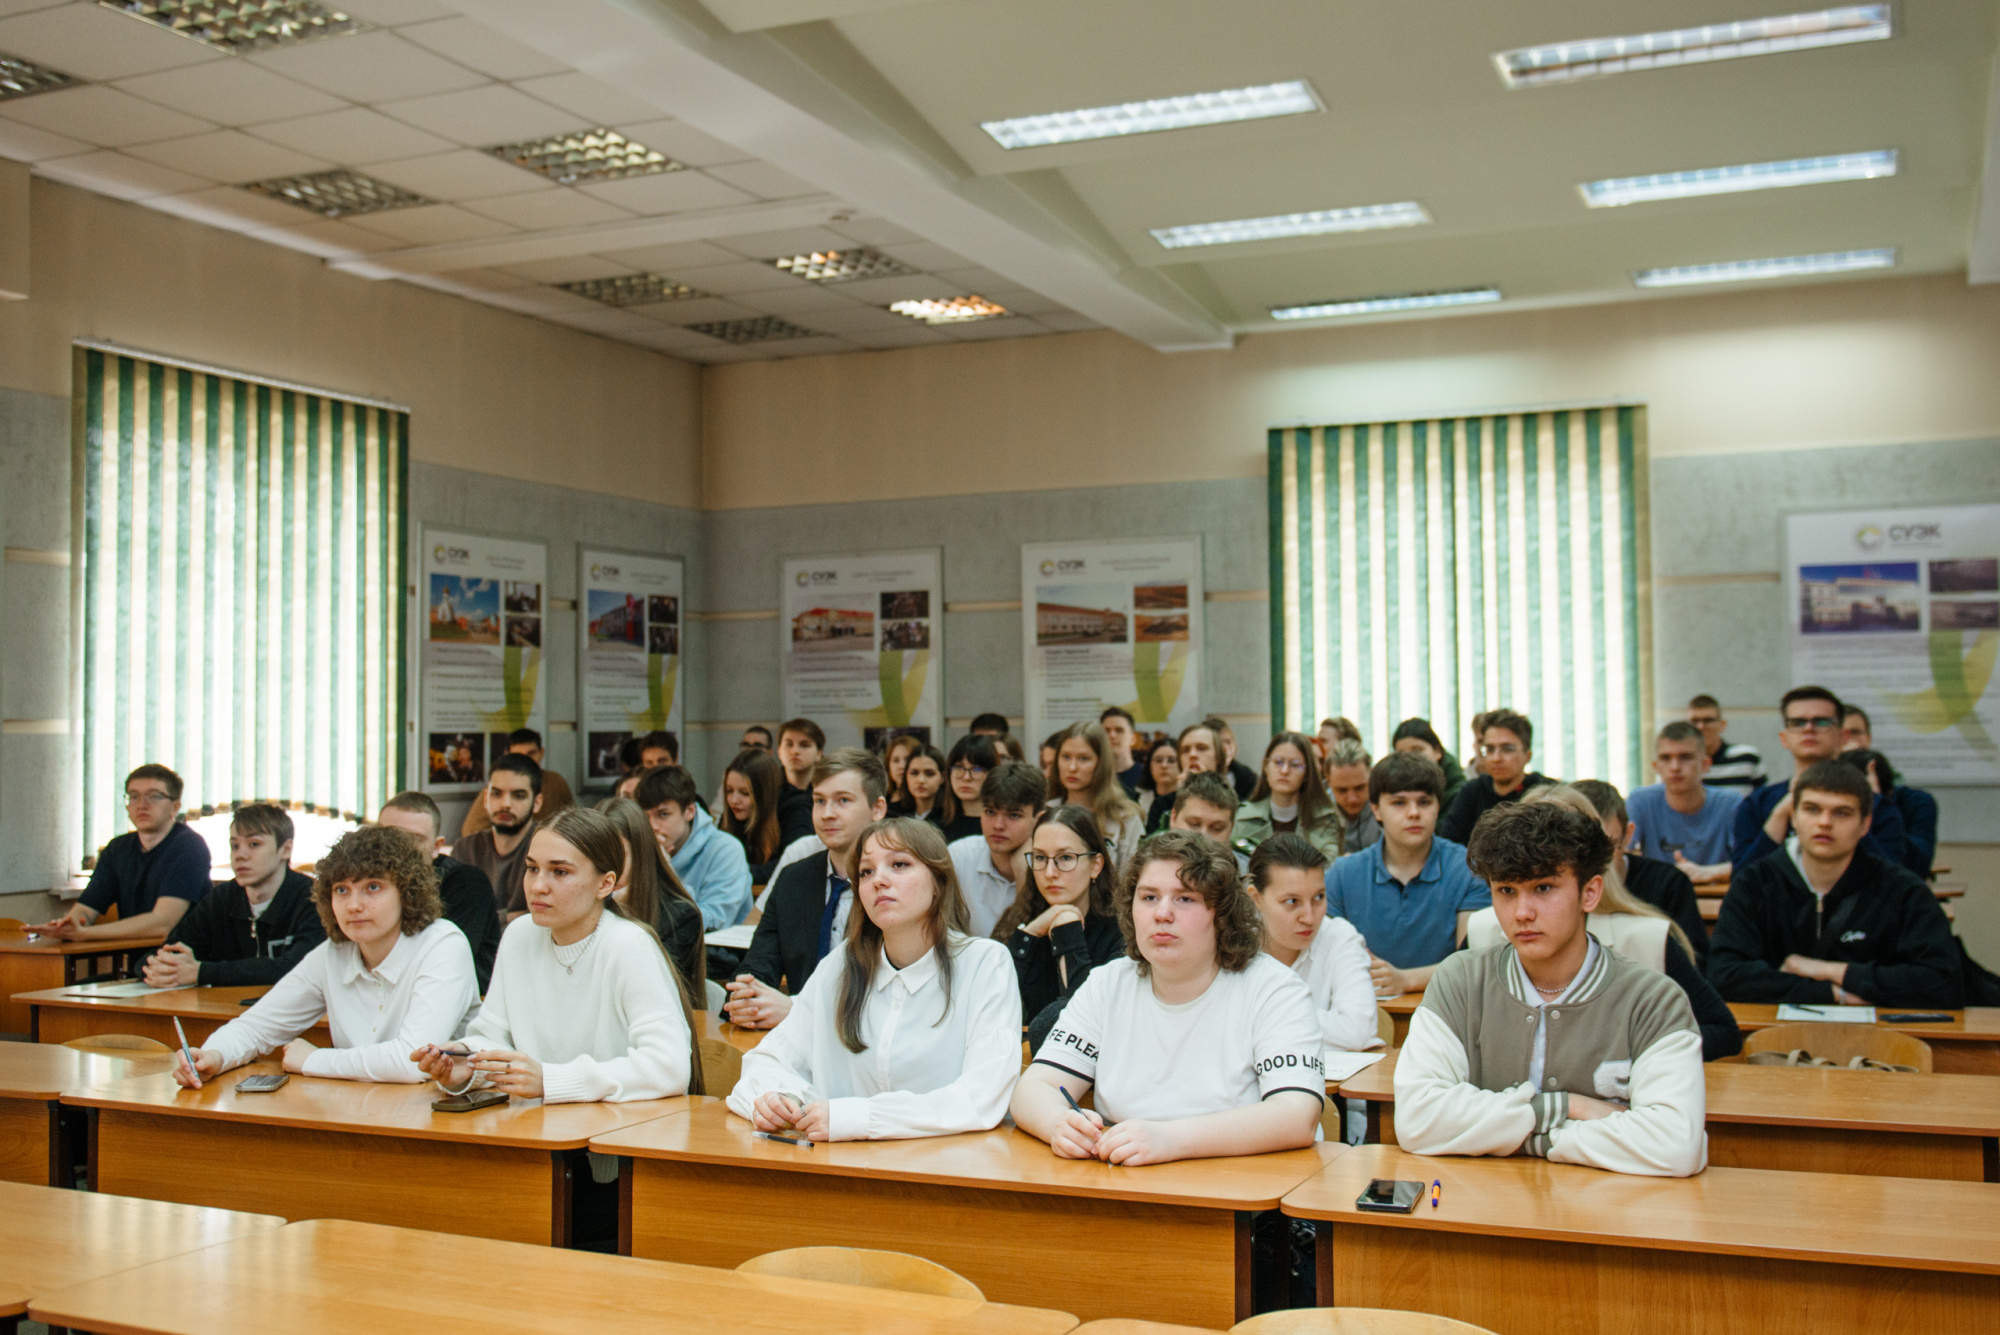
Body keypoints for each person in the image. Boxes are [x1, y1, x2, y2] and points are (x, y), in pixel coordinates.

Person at [1394, 801, 1707, 1177]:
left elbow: (1676, 1145)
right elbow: (1416, 1120)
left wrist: (1511, 1135)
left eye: (1543, 888)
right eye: (1506, 890)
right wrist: (1568, 1108)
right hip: (1484, 1206)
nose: (1522, 912)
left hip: (1610, 1210)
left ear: (1590, 893)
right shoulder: (1460, 980)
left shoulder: (1654, 999)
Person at [1012, 830, 1324, 1165]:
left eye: (1185, 899)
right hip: (1124, 1181)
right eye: (1149, 897)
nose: (1162, 913)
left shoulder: (1275, 990)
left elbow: (1297, 1115)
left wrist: (1169, 1139)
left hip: (1243, 1185)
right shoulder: (1107, 984)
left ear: (1222, 913)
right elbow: (1034, 1088)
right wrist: (1058, 1124)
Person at [727, 818, 1020, 1141]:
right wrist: (779, 1098)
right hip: (838, 1162)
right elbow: (766, 1062)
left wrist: (859, 1117)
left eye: (899, 864)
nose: (879, 880)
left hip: (945, 1163)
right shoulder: (840, 965)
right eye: (866, 871)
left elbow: (982, 1096)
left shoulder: (985, 964)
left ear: (939, 881)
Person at [415, 805, 696, 1104]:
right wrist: (467, 1064)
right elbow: (493, 1037)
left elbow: (669, 1066)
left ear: (605, 884)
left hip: (620, 1127)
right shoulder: (520, 935)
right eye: (532, 868)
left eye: (560, 872)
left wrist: (550, 1080)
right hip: (539, 1124)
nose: (537, 886)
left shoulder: (629, 945)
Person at [173, 826, 480, 1086]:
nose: (354, 905)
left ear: (407, 892)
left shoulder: (443, 944)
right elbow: (256, 1026)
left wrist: (313, 1059)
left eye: (373, 887)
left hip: (439, 1116)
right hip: (362, 1108)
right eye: (341, 890)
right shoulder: (334, 953)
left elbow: (411, 1062)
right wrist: (214, 1055)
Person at [1483, 786, 1738, 1061]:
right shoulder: (1482, 931)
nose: (1523, 912)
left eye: (1544, 887)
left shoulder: (1648, 939)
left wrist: (1624, 1058)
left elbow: (1723, 1031)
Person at [1709, 760, 1961, 1008]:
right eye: (1812, 809)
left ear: (1865, 824)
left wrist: (1829, 970)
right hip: (1771, 1032)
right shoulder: (1754, 883)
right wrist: (1832, 994)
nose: (1825, 822)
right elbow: (1724, 975)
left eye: (1841, 813)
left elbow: (1942, 981)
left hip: (1881, 1033)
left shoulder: (1903, 890)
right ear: (1793, 817)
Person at [725, 750, 889, 1029]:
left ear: (877, 809)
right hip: (800, 1044)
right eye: (819, 801)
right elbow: (758, 964)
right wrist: (745, 998)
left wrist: (797, 1010)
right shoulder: (794, 879)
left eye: (843, 800)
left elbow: (893, 996)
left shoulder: (896, 883)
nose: (827, 814)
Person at [1326, 753, 1489, 997]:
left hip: (1447, 1007)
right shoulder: (1341, 875)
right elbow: (1326, 959)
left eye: (1424, 802)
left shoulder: (1469, 869)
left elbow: (1471, 963)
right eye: (1399, 803)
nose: (1414, 813)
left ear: (1438, 807)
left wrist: (1406, 979)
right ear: (1375, 809)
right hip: (1364, 1007)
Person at [140, 803, 321, 989]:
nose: (240, 855)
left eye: (254, 844)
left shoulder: (314, 897)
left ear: (285, 850)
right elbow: (162, 953)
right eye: (234, 846)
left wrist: (201, 972)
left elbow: (298, 968)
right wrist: (158, 968)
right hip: (228, 1004)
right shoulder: (221, 898)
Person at [1729, 686, 1906, 872]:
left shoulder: (1877, 806)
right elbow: (1742, 878)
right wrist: (1781, 813)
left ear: (1843, 736)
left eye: (1821, 722)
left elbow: (1893, 879)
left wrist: (1853, 818)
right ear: (1784, 738)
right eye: (1797, 722)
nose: (1809, 729)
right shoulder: (1755, 804)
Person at [995, 805, 1125, 1038]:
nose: (1050, 872)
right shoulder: (1016, 919)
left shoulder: (1121, 932)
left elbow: (1083, 1024)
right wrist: (1031, 932)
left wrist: (1067, 931)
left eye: (1065, 858)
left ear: (1095, 865)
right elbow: (994, 1004)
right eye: (1040, 858)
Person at [40, 764, 209, 941]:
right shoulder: (118, 848)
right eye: (134, 797)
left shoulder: (189, 846)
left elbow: (162, 924)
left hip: (183, 954)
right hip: (135, 953)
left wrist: (84, 934)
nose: (142, 805)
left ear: (175, 806)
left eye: (154, 796)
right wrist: (68, 926)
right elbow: (86, 909)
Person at [1247, 835, 1376, 1056]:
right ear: (1256, 898)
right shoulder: (1232, 943)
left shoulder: (1340, 937)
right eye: (1292, 902)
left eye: (1318, 897)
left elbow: (1358, 1031)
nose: (1309, 917)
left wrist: (1261, 1019)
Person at [1570, 780, 1709, 968]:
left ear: (1628, 835)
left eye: (1608, 846)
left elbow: (1695, 963)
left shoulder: (1669, 883)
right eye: (1579, 849)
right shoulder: (1558, 891)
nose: (1595, 860)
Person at [377, 791, 503, 993]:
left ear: (437, 847)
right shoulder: (361, 886)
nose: (401, 847)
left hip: (456, 999)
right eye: (391, 836)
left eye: (414, 839)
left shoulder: (466, 883)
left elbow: (444, 961)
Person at [600, 796, 706, 1000]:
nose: (609, 871)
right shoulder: (579, 908)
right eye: (598, 858)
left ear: (641, 855)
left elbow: (646, 990)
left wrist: (614, 911)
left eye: (619, 856)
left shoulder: (681, 917)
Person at [1623, 722, 1741, 884]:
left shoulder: (1731, 803)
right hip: (1658, 898)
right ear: (1656, 767)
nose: (1675, 767)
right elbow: (1620, 858)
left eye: (1685, 757)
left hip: (1717, 896)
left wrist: (1707, 873)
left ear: (1705, 765)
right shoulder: (1640, 801)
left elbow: (1753, 863)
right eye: (1666, 758)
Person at [643, 766, 752, 931]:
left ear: (689, 811)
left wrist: (667, 873)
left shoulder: (727, 850)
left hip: (714, 945)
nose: (653, 826)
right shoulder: (642, 848)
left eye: (663, 814)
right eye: (645, 817)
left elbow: (713, 922)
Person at [949, 762, 1046, 937]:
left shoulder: (1052, 867)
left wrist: (1023, 875)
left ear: (1038, 820)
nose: (998, 825)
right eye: (990, 812)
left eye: (1013, 815)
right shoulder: (959, 856)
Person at [1841, 707, 1938, 878]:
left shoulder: (1916, 801)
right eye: (1841, 735)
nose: (1848, 741)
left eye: (1855, 733)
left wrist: (1876, 803)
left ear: (1868, 738)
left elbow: (1915, 869)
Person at [1437, 709, 1551, 845]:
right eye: (1490, 749)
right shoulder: (1472, 792)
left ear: (1527, 755)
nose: (1496, 758)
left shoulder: (1546, 792)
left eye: (1507, 749)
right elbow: (1449, 844)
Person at [452, 753, 544, 916]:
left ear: (537, 803)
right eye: (496, 794)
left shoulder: (548, 846)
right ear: (485, 798)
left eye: (518, 796)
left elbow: (540, 918)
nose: (505, 804)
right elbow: (454, 914)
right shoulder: (465, 848)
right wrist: (510, 917)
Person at [1233, 731, 1343, 859]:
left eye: (1295, 765)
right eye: (1278, 762)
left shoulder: (1324, 820)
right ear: (1266, 767)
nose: (1284, 771)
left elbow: (1329, 866)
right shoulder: (1242, 817)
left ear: (1307, 773)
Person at [1050, 721, 1144, 867]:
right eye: (1066, 757)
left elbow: (1135, 876)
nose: (1072, 767)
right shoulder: (1047, 812)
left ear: (1101, 763)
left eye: (1083, 758)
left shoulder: (1126, 819)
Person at [459, 730, 574, 839]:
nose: (526, 761)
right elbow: (470, 830)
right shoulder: (499, 784)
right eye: (519, 756)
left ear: (541, 753)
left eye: (531, 754)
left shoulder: (556, 782)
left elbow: (574, 825)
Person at [716, 748, 789, 883]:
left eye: (745, 793)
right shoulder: (728, 820)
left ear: (764, 795)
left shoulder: (790, 813)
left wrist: (734, 871)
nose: (734, 800)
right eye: (729, 791)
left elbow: (787, 867)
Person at [1687, 694, 1766, 791]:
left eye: (1708, 720)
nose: (1701, 727)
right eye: (1694, 721)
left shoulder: (1747, 757)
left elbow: (1764, 798)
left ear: (1722, 725)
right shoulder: (1681, 764)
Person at [1167, 772, 1243, 866]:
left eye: (1217, 828)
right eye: (1194, 824)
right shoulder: (1150, 863)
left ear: (1231, 827)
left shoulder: (1248, 870)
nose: (1204, 836)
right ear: (1174, 818)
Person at [1391, 718, 1468, 808]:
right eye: (1401, 754)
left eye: (1417, 750)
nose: (1409, 759)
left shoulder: (1462, 796)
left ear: (1437, 751)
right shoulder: (1391, 791)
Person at [940, 733, 1000, 842]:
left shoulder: (999, 826)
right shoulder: (936, 824)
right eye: (959, 767)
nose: (966, 777)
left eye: (977, 769)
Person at [775, 717, 825, 849]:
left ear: (819, 753)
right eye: (789, 745)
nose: (795, 751)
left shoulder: (829, 791)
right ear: (779, 751)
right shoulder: (768, 791)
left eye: (804, 745)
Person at [1322, 740, 1378, 852]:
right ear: (1328, 782)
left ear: (1371, 777)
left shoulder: (1386, 810)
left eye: (1359, 788)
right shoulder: (1317, 813)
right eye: (1342, 790)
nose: (1352, 799)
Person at [892, 743, 948, 829]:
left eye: (929, 774)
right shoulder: (892, 813)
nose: (921, 780)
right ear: (906, 776)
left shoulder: (950, 817)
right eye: (914, 773)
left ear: (942, 777)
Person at [1137, 735, 1181, 834]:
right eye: (1158, 760)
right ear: (1149, 765)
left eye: (1171, 761)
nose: (1164, 765)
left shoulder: (1187, 799)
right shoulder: (1138, 800)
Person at [1207, 717, 1258, 800]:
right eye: (1218, 744)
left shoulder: (1247, 778)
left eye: (1228, 742)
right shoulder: (1197, 780)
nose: (1225, 748)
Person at [1099, 706, 1146, 795]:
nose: (1112, 735)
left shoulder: (1147, 776)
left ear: (1133, 739)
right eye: (1107, 731)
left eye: (1119, 730)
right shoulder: (1092, 776)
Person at [882, 733, 923, 808]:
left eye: (907, 759)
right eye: (896, 760)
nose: (902, 766)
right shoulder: (881, 798)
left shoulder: (922, 802)